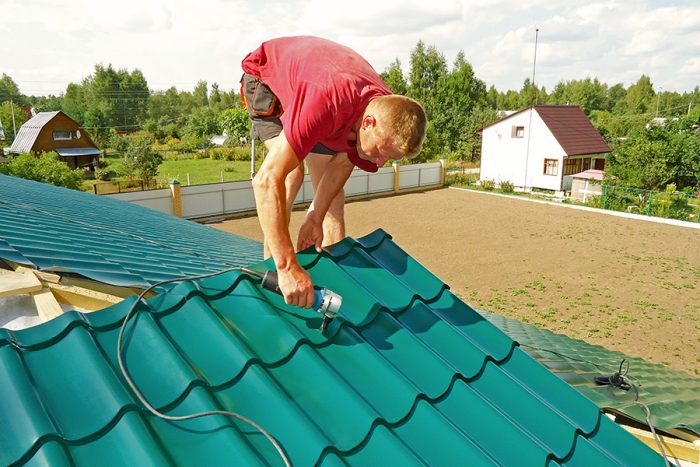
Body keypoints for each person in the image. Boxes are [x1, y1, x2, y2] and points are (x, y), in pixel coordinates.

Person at [241, 36, 426, 308]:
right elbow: (266, 182)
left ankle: (332, 278)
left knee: (331, 203)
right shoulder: (326, 102)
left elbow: (341, 164)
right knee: (288, 176)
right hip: (267, 82)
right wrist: (288, 264)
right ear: (368, 123)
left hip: (321, 90)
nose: (382, 162)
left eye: (391, 157)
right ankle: (279, 278)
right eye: (382, 151)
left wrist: (315, 216)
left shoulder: (381, 110)